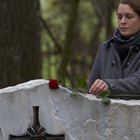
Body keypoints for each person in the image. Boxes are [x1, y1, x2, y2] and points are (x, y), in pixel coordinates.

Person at [88, 0, 140, 99]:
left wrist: (109, 85)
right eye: (119, 17)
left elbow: (138, 83)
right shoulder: (104, 49)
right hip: (107, 114)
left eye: (129, 17)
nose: (123, 21)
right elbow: (91, 90)